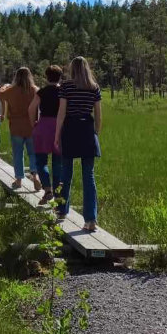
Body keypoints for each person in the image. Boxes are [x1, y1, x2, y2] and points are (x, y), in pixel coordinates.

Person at [54, 56, 102, 232]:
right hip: (87, 130)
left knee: (66, 172)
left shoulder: (66, 86)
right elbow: (98, 115)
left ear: (72, 69)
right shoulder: (94, 87)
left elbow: (61, 113)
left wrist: (57, 135)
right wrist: (96, 132)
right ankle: (91, 219)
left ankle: (61, 210)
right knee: (88, 175)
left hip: (71, 129)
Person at [0, 68, 41, 190]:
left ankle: (18, 180)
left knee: (18, 153)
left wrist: (5, 86)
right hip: (31, 126)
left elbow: (0, 94)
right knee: (33, 153)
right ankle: (35, 175)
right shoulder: (34, 90)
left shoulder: (11, 90)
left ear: (16, 77)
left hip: (16, 126)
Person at [29, 65, 63, 205]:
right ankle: (57, 193)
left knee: (41, 161)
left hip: (43, 126)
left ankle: (47, 189)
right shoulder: (63, 91)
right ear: (60, 77)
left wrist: (33, 124)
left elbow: (31, 108)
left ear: (46, 77)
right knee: (58, 162)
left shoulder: (41, 92)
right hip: (59, 127)